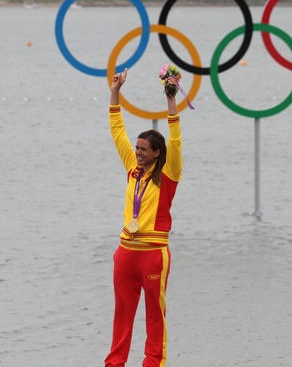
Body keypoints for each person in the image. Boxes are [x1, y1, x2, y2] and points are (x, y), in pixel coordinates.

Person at [104, 68, 182, 367]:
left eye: (143, 149)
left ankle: (153, 363)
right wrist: (115, 93)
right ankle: (115, 363)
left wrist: (171, 101)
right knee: (121, 313)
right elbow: (117, 131)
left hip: (153, 255)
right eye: (136, 148)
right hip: (125, 252)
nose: (137, 152)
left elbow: (175, 140)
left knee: (154, 314)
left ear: (157, 153)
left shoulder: (168, 174)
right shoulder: (131, 170)